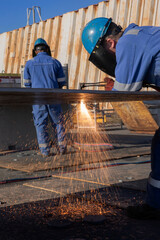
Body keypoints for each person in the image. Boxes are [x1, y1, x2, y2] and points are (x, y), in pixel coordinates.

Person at [81, 17, 160, 219]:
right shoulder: (140, 36)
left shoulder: (127, 43)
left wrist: (111, 90)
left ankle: (156, 206)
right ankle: (155, 204)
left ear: (109, 43)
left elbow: (123, 94)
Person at [23, 38, 67, 157]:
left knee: (41, 124)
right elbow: (62, 82)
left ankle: (45, 151)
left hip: (38, 99)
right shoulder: (55, 62)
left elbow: (27, 84)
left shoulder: (29, 63)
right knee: (58, 122)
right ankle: (62, 148)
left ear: (35, 51)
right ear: (46, 49)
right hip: (53, 97)